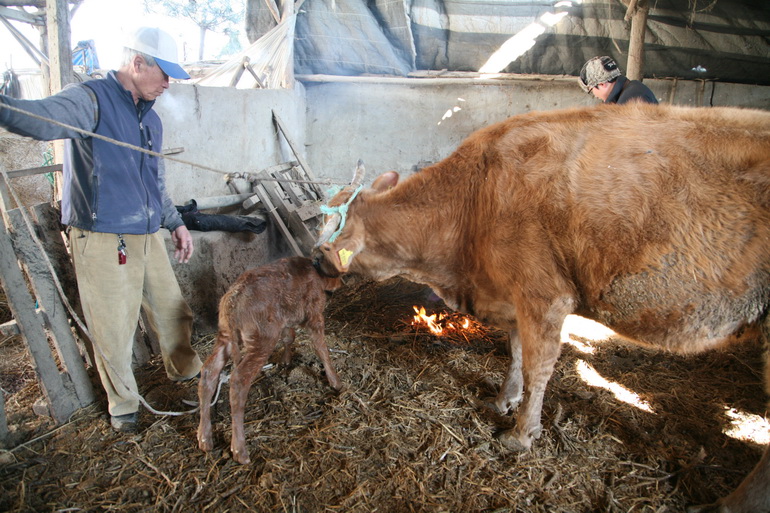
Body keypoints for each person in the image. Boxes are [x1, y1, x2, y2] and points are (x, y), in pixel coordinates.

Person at [0, 27, 203, 433]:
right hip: (104, 235)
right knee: (113, 327)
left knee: (173, 311)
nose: (168, 83)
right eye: (164, 73)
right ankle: (124, 408)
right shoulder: (90, 99)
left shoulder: (151, 121)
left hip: (147, 233)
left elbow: (155, 182)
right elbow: (39, 120)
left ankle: (189, 375)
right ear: (138, 63)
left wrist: (175, 222)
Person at [578, 56, 658, 105]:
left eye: (591, 91)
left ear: (602, 84)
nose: (595, 96)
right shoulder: (633, 88)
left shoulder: (628, 102)